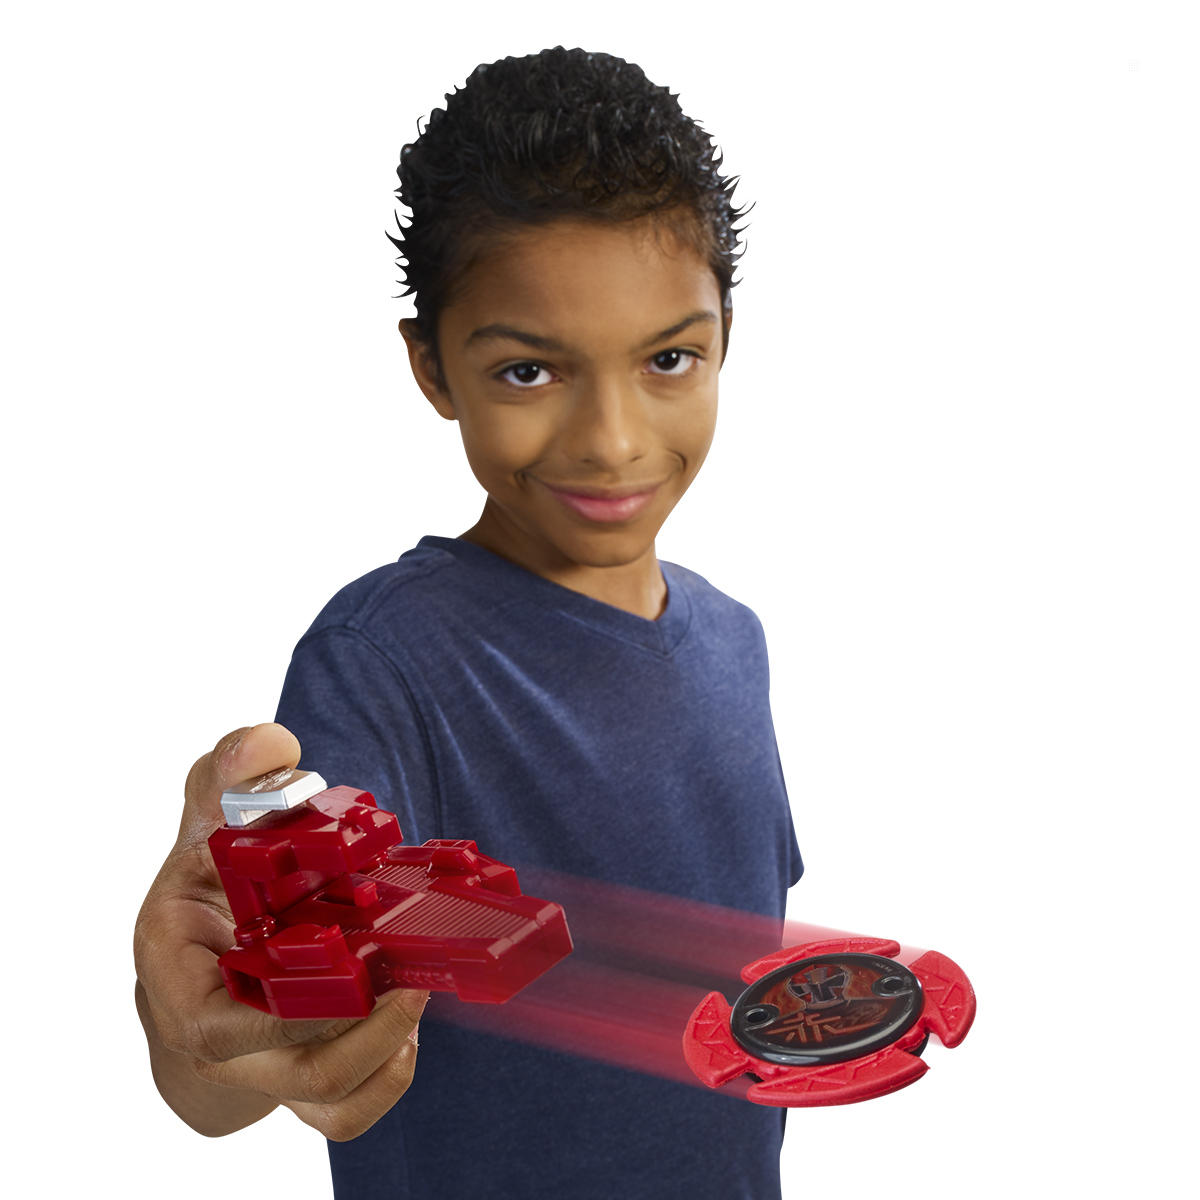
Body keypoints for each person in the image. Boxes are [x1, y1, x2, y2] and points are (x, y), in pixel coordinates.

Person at [134, 45, 803, 1199]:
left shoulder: (736, 642)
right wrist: (196, 1031)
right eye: (530, 372)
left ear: (724, 340)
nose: (613, 441)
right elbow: (252, 1047)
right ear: (434, 368)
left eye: (668, 358)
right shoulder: (383, 663)